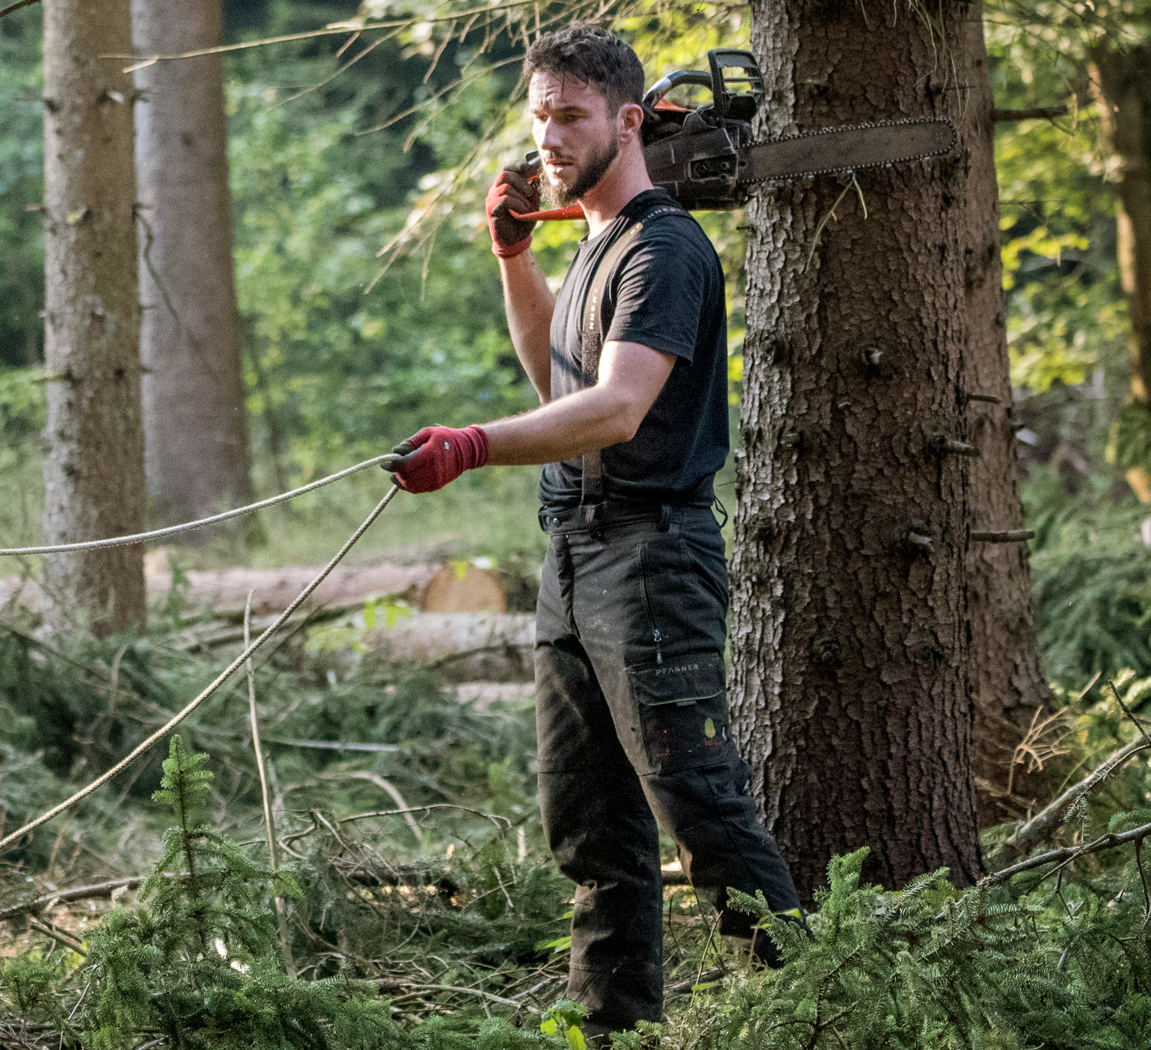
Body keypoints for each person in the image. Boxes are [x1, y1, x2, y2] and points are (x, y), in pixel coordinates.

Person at [381, 24, 803, 1040]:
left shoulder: (663, 249)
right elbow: (555, 381)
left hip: (652, 561)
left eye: (571, 116)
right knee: (591, 835)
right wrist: (514, 256)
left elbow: (614, 410)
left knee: (702, 817)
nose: (549, 138)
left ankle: (826, 1008)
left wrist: (472, 446)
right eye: (540, 117)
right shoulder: (596, 248)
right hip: (572, 559)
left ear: (627, 121)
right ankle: (612, 1030)